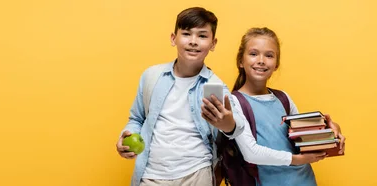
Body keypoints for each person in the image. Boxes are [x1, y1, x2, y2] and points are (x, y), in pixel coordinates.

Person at [116, 7, 247, 186]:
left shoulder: (214, 86)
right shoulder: (151, 76)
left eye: (202, 36)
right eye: (186, 33)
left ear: (213, 43)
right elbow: (137, 119)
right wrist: (126, 135)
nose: (193, 41)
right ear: (173, 38)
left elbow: (238, 126)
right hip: (151, 174)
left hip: (196, 173)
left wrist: (227, 124)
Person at [204, 27, 347, 185]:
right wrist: (297, 160)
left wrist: (332, 131)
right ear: (240, 61)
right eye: (253, 54)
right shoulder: (234, 102)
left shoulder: (284, 98)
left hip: (305, 180)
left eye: (269, 55)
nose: (261, 60)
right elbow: (252, 153)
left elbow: (302, 137)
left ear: (276, 64)